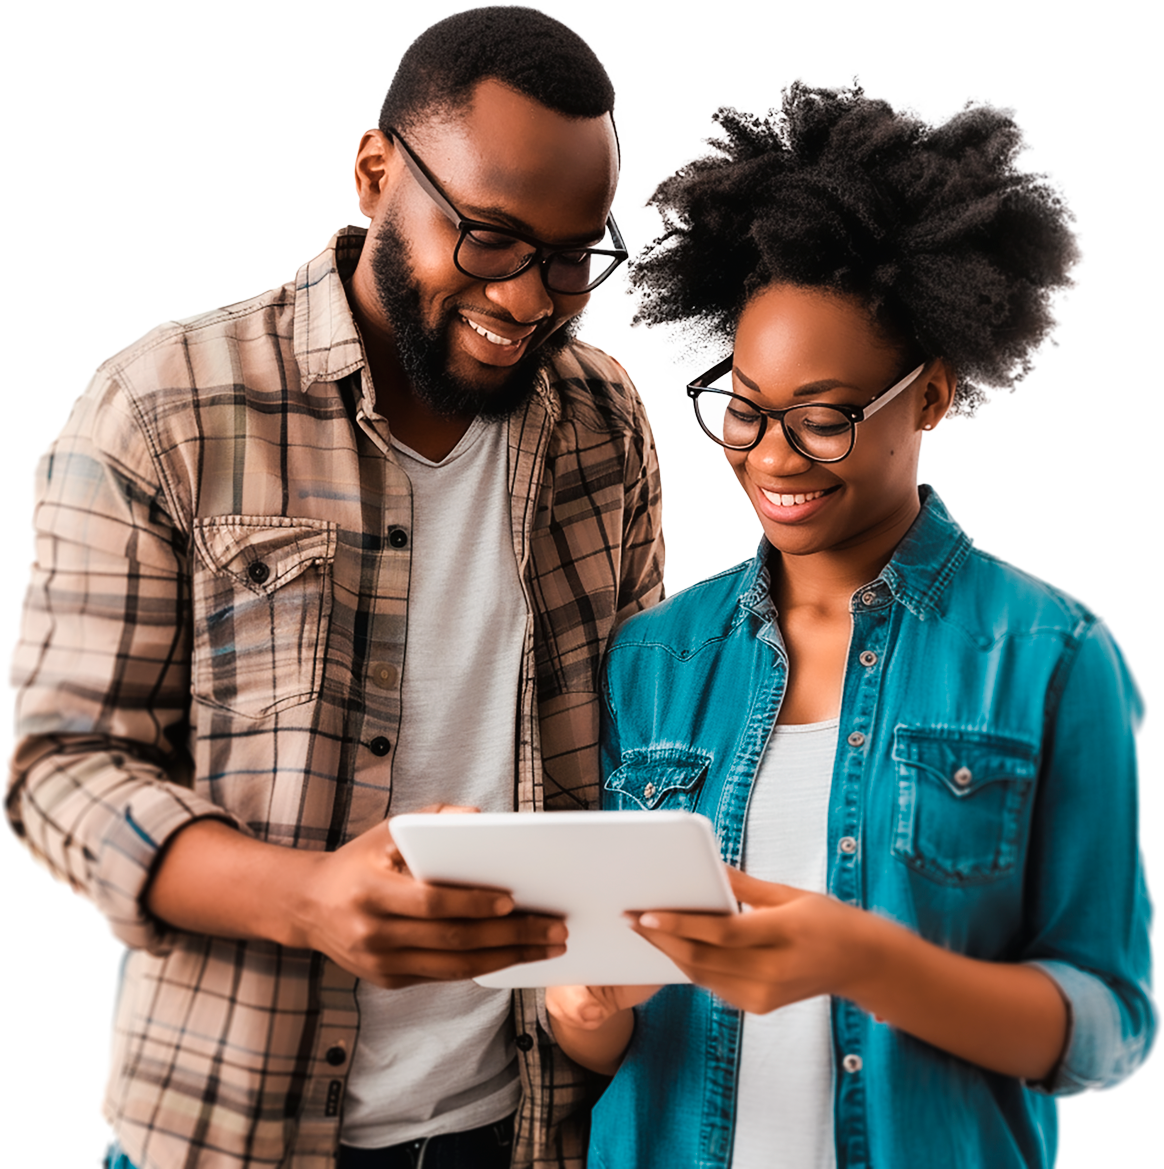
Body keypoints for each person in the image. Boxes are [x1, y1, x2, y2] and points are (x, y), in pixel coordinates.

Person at [4, 8, 664, 1169]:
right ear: (373, 175)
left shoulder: (603, 429)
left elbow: (639, 756)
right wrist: (306, 897)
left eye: (571, 257)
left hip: (526, 1129)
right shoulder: (168, 409)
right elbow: (57, 768)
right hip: (233, 1131)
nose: (528, 299)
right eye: (492, 238)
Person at [544, 80, 1160, 1168]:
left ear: (927, 398)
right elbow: (603, 1042)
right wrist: (585, 1008)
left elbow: (1111, 1026)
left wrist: (863, 959)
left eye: (824, 417)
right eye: (744, 407)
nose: (773, 457)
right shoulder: (655, 658)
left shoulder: (1048, 658)